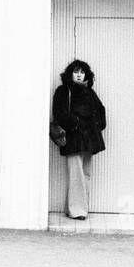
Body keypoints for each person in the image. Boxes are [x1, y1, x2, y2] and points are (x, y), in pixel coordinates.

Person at [52, 59, 107, 220]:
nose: (79, 75)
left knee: (85, 175)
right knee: (76, 175)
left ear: (86, 75)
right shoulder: (63, 90)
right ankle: (78, 211)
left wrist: (97, 126)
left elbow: (100, 111)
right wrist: (75, 124)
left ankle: (75, 209)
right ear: (70, 73)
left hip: (89, 139)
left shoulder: (90, 92)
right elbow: (59, 113)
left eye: (82, 72)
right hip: (73, 139)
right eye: (76, 71)